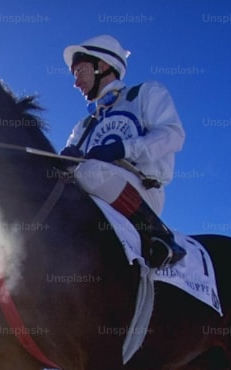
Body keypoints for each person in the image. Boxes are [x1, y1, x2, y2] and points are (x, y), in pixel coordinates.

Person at [61, 35, 186, 268]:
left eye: (80, 71)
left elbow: (173, 135)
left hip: (143, 191)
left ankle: (159, 235)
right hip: (95, 194)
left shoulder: (145, 93)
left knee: (90, 170)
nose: (76, 82)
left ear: (103, 66)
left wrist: (123, 148)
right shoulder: (83, 125)